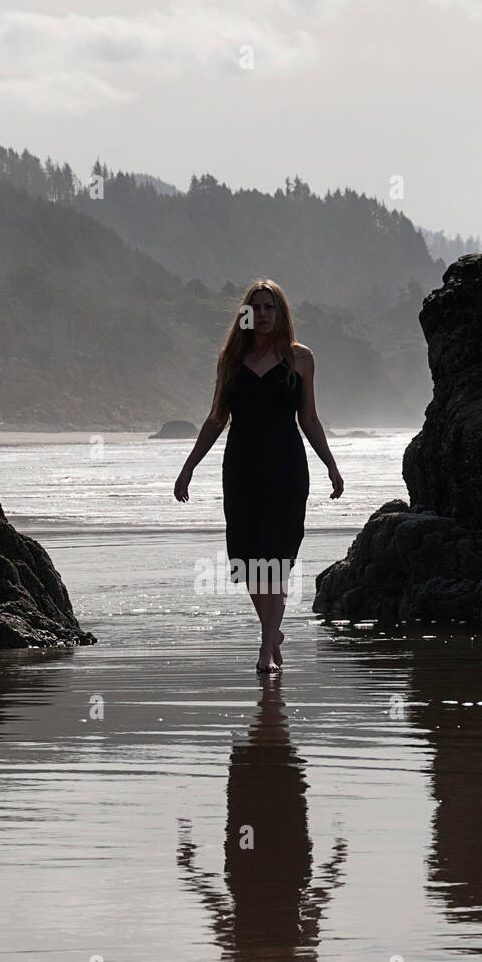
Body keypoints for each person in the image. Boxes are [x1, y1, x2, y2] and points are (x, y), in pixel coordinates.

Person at [174, 278, 344, 671]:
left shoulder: (301, 358)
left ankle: (266, 649)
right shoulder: (231, 360)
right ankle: (273, 628)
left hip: (286, 468)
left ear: (280, 312)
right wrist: (188, 468)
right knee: (250, 561)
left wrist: (331, 465)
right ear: (246, 315)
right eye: (257, 308)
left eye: (271, 307)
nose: (264, 314)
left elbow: (310, 418)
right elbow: (217, 417)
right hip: (242, 469)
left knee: (276, 558)